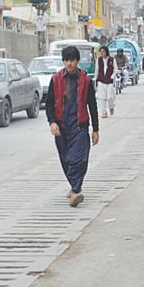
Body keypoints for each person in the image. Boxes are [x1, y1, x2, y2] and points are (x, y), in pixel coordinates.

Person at [45, 46, 100, 207]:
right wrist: (52, 122)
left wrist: (95, 129)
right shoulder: (55, 80)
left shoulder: (86, 81)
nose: (69, 64)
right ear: (63, 61)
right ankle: (75, 185)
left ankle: (76, 191)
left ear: (77, 61)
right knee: (66, 159)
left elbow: (92, 105)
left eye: (72, 60)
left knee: (80, 159)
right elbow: (49, 105)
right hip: (62, 126)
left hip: (80, 126)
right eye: (67, 60)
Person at [95, 46, 115, 118]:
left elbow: (115, 70)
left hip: (109, 81)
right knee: (102, 98)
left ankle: (111, 107)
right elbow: (97, 70)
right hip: (101, 81)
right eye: (101, 52)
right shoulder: (99, 60)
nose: (102, 53)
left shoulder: (112, 60)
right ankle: (104, 112)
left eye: (103, 51)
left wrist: (112, 77)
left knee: (110, 97)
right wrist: (96, 78)